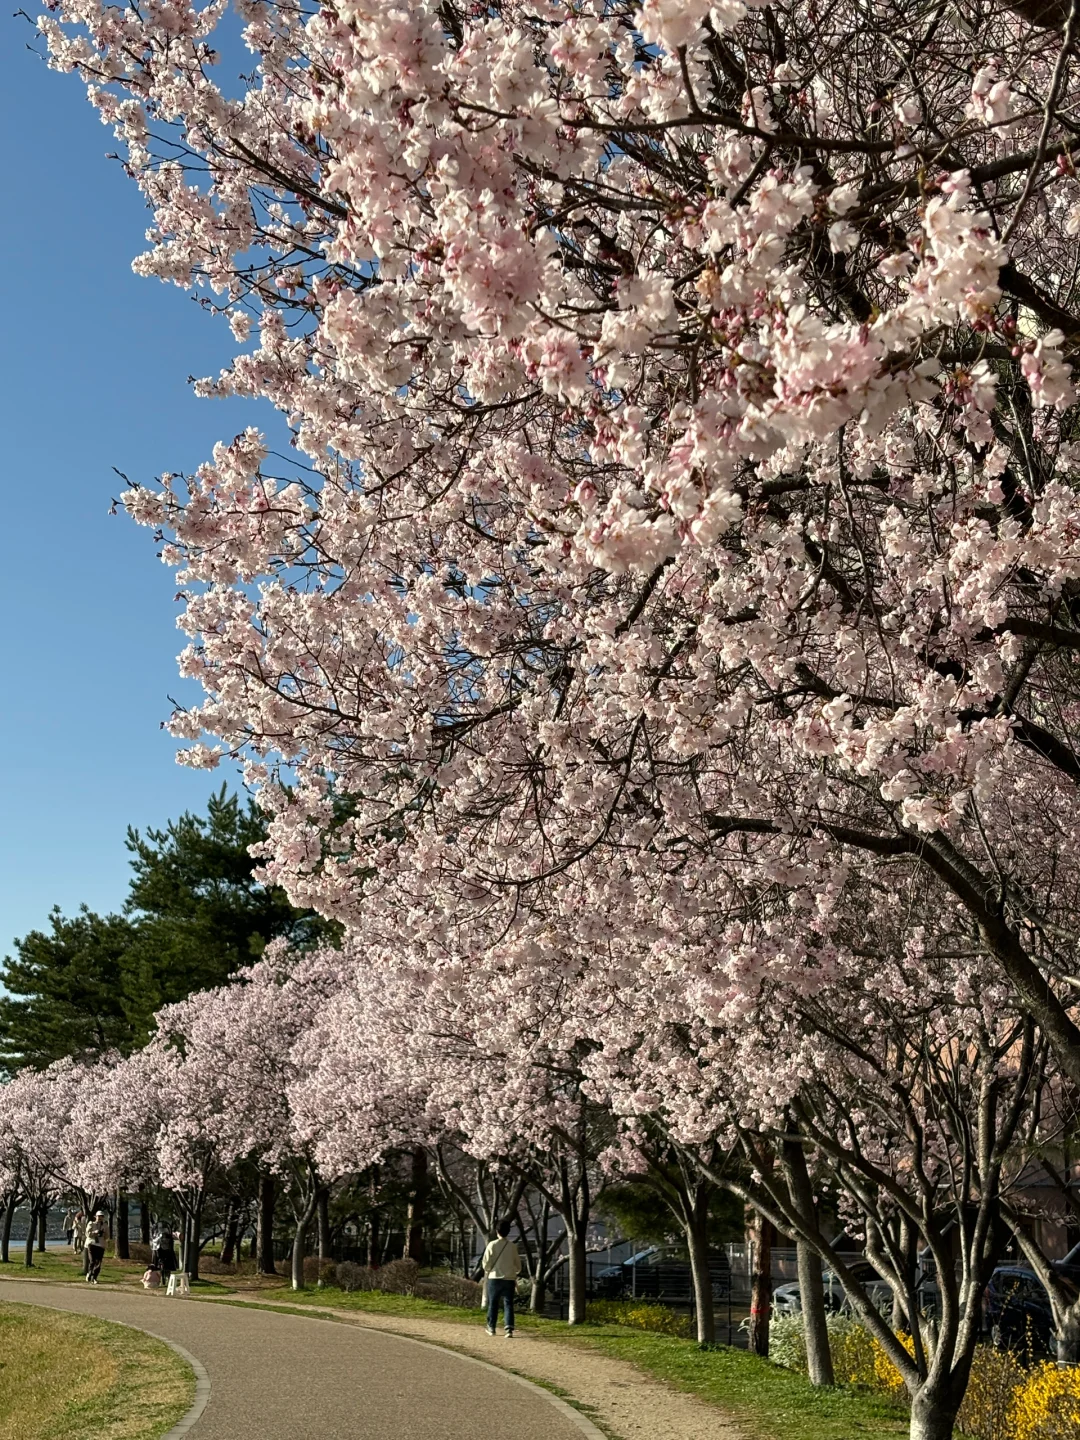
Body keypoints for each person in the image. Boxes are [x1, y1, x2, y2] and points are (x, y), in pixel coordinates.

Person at [481, 1217, 521, 1338]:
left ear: (497, 1231)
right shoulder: (512, 1246)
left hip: (494, 1278)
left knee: (493, 1303)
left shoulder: (492, 1245)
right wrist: (515, 1272)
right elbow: (518, 1265)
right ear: (508, 1231)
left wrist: (489, 1270)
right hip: (509, 1278)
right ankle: (509, 1329)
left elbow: (485, 1263)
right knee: (508, 1304)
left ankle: (491, 1327)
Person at [84, 1211, 107, 1284]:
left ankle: (94, 1277)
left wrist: (103, 1234)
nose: (100, 1218)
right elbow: (87, 1234)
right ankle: (89, 1273)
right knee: (92, 1261)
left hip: (101, 1244)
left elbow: (107, 1236)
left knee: (99, 1262)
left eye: (101, 1216)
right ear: (95, 1217)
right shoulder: (91, 1224)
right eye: (98, 1216)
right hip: (92, 1244)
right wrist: (95, 1232)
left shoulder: (105, 1225)